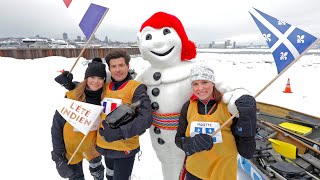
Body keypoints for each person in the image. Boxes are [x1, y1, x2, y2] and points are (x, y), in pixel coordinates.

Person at [175, 64, 257, 180]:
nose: (200, 88)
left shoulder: (228, 107)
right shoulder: (188, 107)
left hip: (223, 173)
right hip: (194, 172)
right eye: (195, 84)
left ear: (213, 83)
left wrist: (248, 120)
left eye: (204, 82)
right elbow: (179, 139)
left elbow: (247, 151)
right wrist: (190, 144)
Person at [97, 49, 153, 180]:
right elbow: (87, 90)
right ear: (109, 69)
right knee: (109, 175)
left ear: (128, 66)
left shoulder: (136, 88)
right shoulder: (105, 87)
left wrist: (119, 133)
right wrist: (71, 85)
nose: (118, 70)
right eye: (114, 66)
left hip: (124, 149)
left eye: (121, 65)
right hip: (104, 145)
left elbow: (146, 118)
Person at [51, 58, 106, 180]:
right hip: (71, 150)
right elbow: (57, 126)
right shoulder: (72, 97)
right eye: (92, 77)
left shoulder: (107, 98)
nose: (95, 81)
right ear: (86, 79)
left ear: (104, 80)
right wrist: (58, 156)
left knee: (98, 174)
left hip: (93, 149)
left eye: (100, 78)